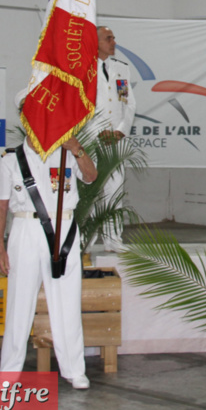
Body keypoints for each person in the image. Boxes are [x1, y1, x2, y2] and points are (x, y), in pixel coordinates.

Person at [0, 133, 97, 390]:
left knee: (67, 301)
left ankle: (74, 369)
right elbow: (0, 205)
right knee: (19, 303)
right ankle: (8, 373)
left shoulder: (66, 151)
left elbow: (91, 176)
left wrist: (76, 149)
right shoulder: (11, 159)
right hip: (25, 228)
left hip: (63, 228)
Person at [91, 25, 136, 251]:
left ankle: (113, 239)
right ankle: (85, 238)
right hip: (90, 139)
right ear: (95, 41)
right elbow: (79, 105)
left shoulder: (121, 69)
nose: (113, 42)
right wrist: (96, 130)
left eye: (113, 38)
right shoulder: (82, 68)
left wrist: (120, 130)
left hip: (116, 139)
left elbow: (127, 102)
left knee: (115, 190)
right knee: (88, 190)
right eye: (108, 38)